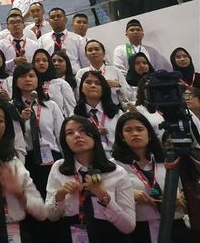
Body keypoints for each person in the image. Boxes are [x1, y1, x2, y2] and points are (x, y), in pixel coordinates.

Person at [44, 115, 136, 242]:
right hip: (72, 235)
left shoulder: (117, 172)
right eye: (70, 133)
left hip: (110, 236)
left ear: (93, 135)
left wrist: (103, 195)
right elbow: (51, 216)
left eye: (82, 130)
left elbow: (128, 227)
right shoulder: (58, 168)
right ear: (65, 140)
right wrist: (60, 195)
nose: (77, 135)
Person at [0, 97, 47, 243]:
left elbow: (42, 213)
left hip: (15, 233)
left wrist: (20, 193)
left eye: (0, 120)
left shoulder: (13, 163)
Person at [111, 112, 189, 243]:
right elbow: (105, 197)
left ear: (150, 134)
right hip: (139, 228)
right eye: (128, 130)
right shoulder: (114, 166)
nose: (135, 133)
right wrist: (129, 194)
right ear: (122, 136)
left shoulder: (167, 160)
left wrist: (182, 197)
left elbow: (184, 189)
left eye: (140, 129)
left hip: (175, 225)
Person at [11, 63, 64, 200]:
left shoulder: (51, 106)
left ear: (37, 80)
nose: (28, 79)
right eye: (23, 76)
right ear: (16, 81)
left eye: (31, 76)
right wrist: (20, 121)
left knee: (53, 201)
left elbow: (61, 135)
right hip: (26, 159)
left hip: (51, 158)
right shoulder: (11, 108)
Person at [73, 71, 123, 157]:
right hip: (89, 159)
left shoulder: (117, 113)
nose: (93, 86)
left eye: (98, 83)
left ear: (104, 88)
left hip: (117, 159)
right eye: (88, 82)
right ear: (81, 88)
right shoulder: (74, 116)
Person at [76, 39, 133, 106]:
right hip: (91, 110)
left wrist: (119, 85)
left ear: (104, 53)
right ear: (86, 54)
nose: (93, 52)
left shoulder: (115, 71)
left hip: (113, 108)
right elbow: (78, 95)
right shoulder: (81, 73)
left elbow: (129, 95)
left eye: (97, 49)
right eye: (90, 50)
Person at [33, 48, 76, 116]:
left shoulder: (61, 83)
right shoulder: (30, 83)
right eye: (37, 61)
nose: (41, 63)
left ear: (49, 63)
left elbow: (70, 109)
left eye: (44, 60)